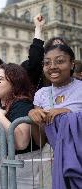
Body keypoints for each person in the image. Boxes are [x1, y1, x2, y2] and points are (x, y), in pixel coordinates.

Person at [0, 63, 40, 188]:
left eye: (0, 79)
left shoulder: (22, 104)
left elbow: (21, 143)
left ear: (15, 82)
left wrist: (0, 118)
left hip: (22, 169)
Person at [28, 44, 82, 189]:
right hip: (51, 160)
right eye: (47, 63)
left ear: (72, 64)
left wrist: (68, 112)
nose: (52, 66)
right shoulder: (41, 94)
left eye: (60, 61)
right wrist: (32, 117)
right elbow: (40, 140)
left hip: (78, 158)